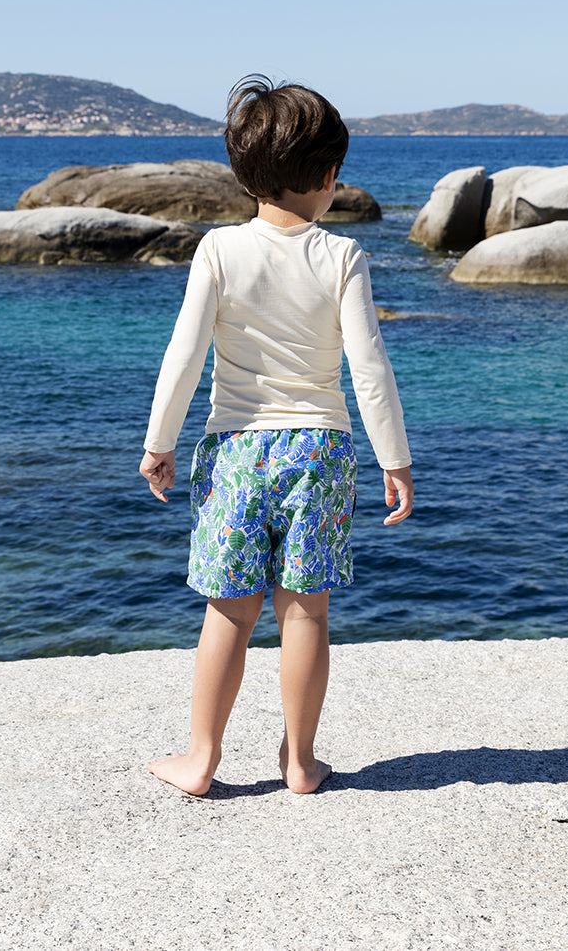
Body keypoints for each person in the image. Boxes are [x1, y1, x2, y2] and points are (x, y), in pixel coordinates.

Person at [139, 74, 413, 796]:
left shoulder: (219, 250)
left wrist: (158, 442)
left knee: (228, 609)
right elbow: (370, 369)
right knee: (306, 611)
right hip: (319, 448)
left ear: (243, 172)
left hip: (234, 447)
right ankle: (299, 762)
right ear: (328, 177)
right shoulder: (342, 257)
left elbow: (185, 355)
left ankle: (200, 760)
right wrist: (396, 459)